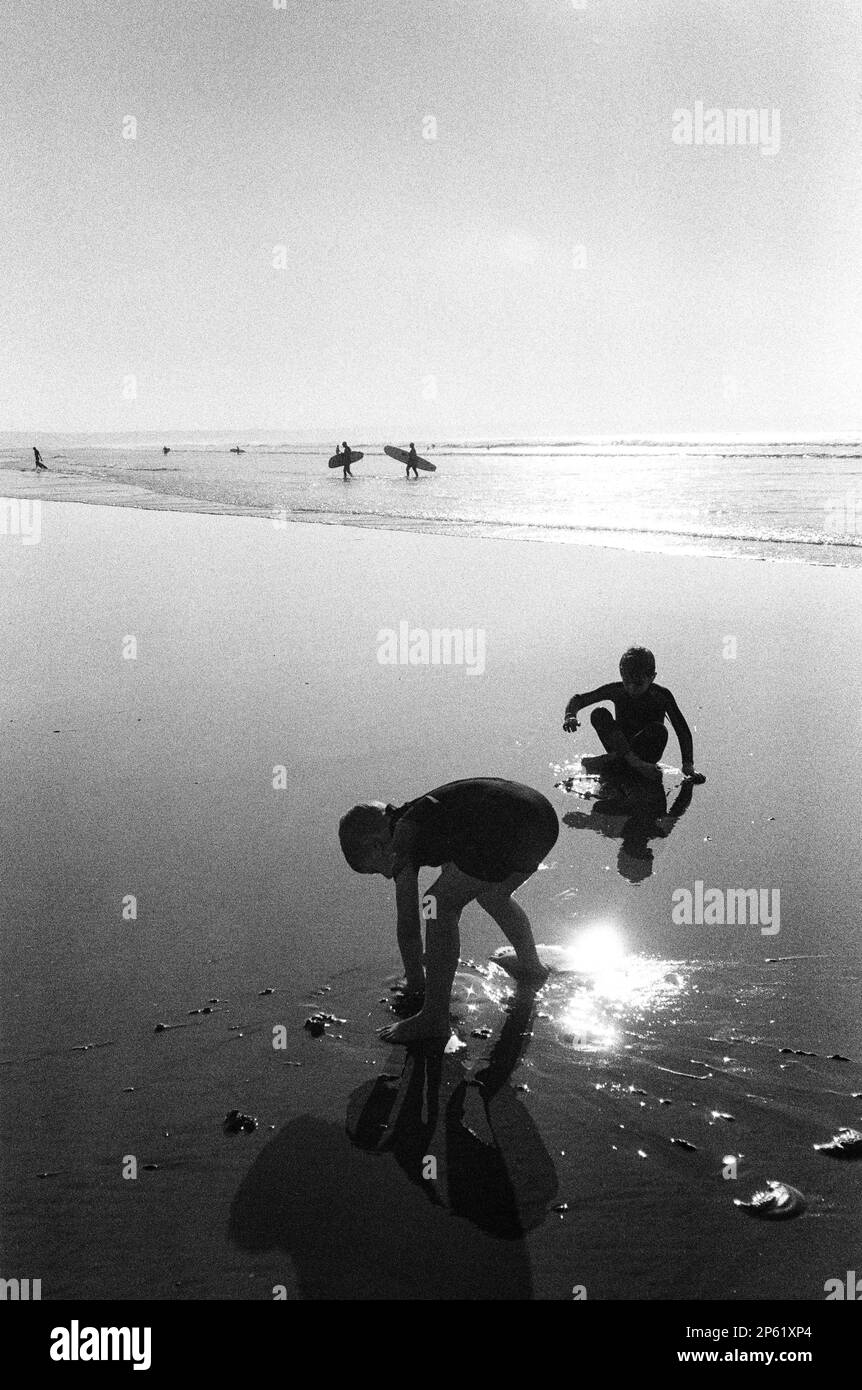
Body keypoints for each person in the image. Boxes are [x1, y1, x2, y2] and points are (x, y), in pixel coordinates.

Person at [339, 778, 559, 1044]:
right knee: (492, 894)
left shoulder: (400, 844)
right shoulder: (423, 815)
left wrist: (416, 982)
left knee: (438, 904)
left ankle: (433, 1018)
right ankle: (531, 966)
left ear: (378, 846)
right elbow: (457, 863)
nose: (386, 877)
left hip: (507, 828)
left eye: (375, 869)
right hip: (539, 818)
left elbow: (408, 926)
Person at [563, 645, 704, 782]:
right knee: (599, 713)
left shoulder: (661, 695)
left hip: (647, 751)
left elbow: (682, 730)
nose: (631, 688)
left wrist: (688, 765)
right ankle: (632, 763)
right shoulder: (617, 690)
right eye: (627, 681)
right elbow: (580, 700)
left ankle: (613, 760)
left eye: (638, 683)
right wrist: (570, 716)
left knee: (659, 730)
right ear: (621, 675)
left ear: (652, 677)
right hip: (620, 744)